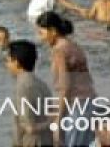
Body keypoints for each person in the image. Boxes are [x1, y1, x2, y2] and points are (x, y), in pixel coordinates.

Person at [35, 12, 97, 147]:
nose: (40, 37)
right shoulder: (74, 46)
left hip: (76, 107)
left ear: (53, 31)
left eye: (41, 33)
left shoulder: (59, 51)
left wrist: (58, 120)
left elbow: (65, 87)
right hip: (91, 103)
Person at [5, 40, 54, 147]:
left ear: (16, 62)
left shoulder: (22, 86)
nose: (6, 65)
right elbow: (52, 114)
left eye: (8, 61)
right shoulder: (41, 84)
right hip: (47, 140)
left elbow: (29, 127)